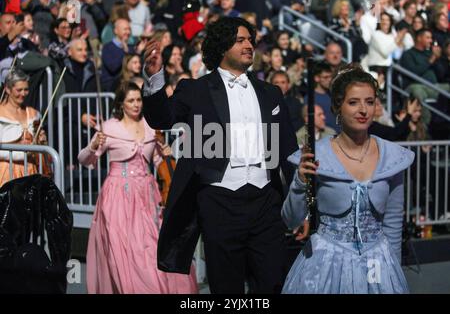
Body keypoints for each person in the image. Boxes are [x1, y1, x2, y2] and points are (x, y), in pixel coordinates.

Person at [143, 16, 298, 294]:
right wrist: (154, 80)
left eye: (250, 39)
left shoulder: (271, 93)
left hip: (267, 201)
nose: (249, 45)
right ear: (222, 47)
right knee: (226, 288)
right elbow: (160, 119)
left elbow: (290, 153)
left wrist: (302, 208)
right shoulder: (195, 89)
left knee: (272, 282)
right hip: (219, 201)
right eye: (240, 40)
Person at [281, 64, 414, 294]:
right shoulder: (316, 155)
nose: (363, 110)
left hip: (378, 266)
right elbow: (290, 220)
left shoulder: (393, 157)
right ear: (338, 108)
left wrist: (392, 273)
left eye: (370, 102)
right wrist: (300, 182)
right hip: (324, 268)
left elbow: (393, 224)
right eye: (353, 102)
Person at [78, 81, 198, 294]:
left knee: (150, 245)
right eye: (131, 100)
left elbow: (158, 161)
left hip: (146, 195)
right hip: (117, 196)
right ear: (121, 104)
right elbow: (85, 160)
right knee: (121, 247)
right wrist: (93, 145)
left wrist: (167, 154)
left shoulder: (151, 126)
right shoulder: (109, 127)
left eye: (139, 100)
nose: (136, 104)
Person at [0, 69, 46, 187]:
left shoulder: (33, 113)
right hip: (5, 172)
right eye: (19, 90)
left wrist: (41, 142)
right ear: (7, 89)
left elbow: (40, 148)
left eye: (26, 89)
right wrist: (23, 154)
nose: (23, 93)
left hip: (30, 170)